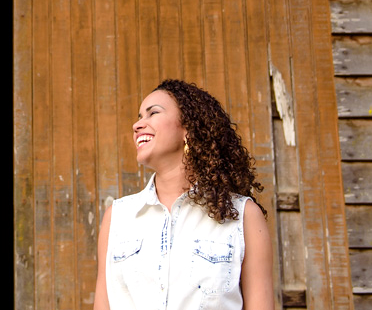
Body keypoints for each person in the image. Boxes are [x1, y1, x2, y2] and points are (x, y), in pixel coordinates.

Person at [93, 79, 275, 310]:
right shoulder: (118, 218)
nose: (138, 125)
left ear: (189, 127)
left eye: (153, 113)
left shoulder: (243, 216)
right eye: (139, 117)